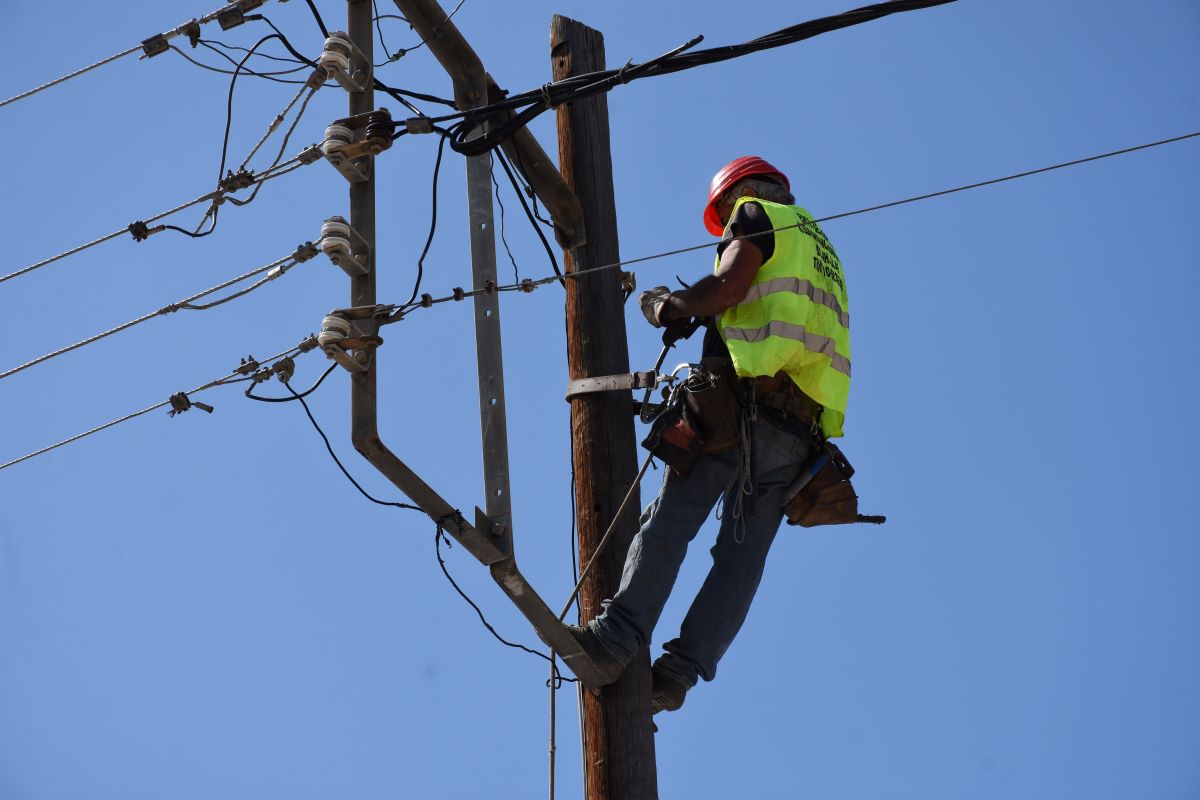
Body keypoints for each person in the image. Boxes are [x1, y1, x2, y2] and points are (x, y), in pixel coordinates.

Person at [567, 156, 853, 715]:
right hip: (800, 437)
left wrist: (667, 306)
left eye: (722, 214)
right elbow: (759, 305)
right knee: (740, 560)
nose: (724, 226)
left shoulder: (755, 213)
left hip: (740, 410)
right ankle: (675, 677)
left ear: (740, 192)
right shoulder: (822, 249)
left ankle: (613, 641)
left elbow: (726, 287)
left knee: (670, 522)